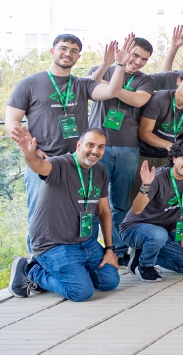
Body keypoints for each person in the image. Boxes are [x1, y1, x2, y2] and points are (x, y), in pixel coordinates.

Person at [6, 35, 134, 218]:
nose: (68, 53)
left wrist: (120, 65)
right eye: (63, 48)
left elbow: (112, 91)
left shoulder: (82, 84)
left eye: (74, 51)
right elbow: (12, 120)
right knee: (39, 216)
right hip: (42, 160)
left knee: (74, 216)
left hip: (77, 162)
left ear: (78, 57)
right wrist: (30, 150)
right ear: (52, 51)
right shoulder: (29, 84)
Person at [8, 127, 120, 301]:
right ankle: (31, 269)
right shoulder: (60, 164)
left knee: (110, 282)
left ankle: (70, 272)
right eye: (90, 145)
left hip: (85, 242)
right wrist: (29, 154)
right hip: (54, 244)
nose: (95, 151)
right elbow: (38, 166)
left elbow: (104, 211)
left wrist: (109, 250)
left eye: (101, 147)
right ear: (79, 145)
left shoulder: (99, 171)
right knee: (81, 292)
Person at [85, 35, 156, 261]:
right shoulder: (103, 70)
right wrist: (111, 66)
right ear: (126, 52)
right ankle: (89, 249)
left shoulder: (146, 80)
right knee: (92, 200)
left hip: (128, 148)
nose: (138, 61)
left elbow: (138, 100)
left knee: (120, 203)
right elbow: (88, 87)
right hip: (97, 147)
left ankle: (118, 250)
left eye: (144, 59)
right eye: (135, 55)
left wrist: (111, 88)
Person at [122, 139, 183, 280]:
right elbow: (136, 210)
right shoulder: (159, 177)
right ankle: (144, 265)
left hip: (166, 232)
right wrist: (146, 185)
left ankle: (142, 253)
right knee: (158, 235)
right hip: (135, 229)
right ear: (174, 158)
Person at [137, 69, 183, 171]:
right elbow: (144, 133)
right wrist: (169, 145)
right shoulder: (159, 99)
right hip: (143, 154)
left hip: (169, 157)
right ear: (178, 81)